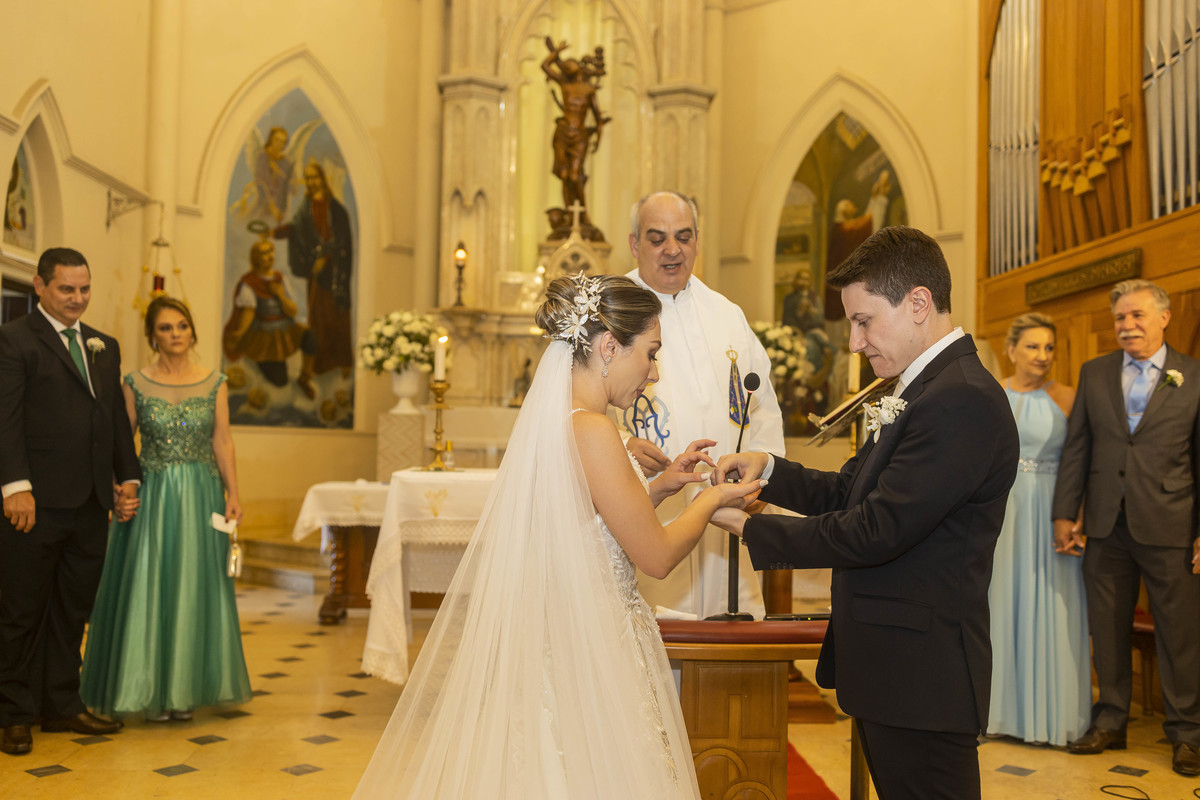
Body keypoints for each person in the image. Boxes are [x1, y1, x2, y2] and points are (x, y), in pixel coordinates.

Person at [352, 274, 765, 798]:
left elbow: (587, 519)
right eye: (651, 354)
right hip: (589, 646)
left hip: (572, 630)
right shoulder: (594, 430)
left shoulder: (575, 421)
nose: (654, 373)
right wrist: (710, 501)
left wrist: (662, 485)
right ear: (610, 346)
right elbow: (656, 557)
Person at [711, 226, 1019, 799]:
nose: (854, 343)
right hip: (897, 670)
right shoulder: (925, 389)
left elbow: (876, 530)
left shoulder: (961, 399)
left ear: (918, 304)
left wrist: (756, 529)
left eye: (863, 320)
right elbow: (850, 492)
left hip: (922, 677)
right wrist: (770, 467)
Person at [1052, 279, 1200, 776]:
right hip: (1104, 523)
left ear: (1164, 317)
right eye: (1119, 318)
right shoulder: (1094, 374)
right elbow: (1077, 448)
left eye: (1136, 316)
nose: (1126, 326)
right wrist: (1064, 513)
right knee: (1107, 626)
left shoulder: (1194, 376)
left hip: (1171, 523)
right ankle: (1112, 720)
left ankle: (1187, 733)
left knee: (1180, 633)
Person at [81, 296, 251, 722]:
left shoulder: (215, 380)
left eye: (181, 326)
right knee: (150, 582)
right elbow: (124, 442)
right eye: (165, 328)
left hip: (201, 493)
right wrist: (120, 488)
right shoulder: (135, 382)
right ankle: (149, 685)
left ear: (192, 330)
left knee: (195, 584)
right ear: (152, 336)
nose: (175, 334)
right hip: (153, 494)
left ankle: (183, 689)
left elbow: (223, 440)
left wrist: (233, 492)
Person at [0, 247, 141, 756]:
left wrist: (128, 478)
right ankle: (13, 713)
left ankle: (61, 704)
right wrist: (16, 487)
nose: (77, 299)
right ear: (39, 286)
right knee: (20, 610)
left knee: (72, 608)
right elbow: (6, 418)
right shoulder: (14, 339)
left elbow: (112, 422)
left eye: (84, 289)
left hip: (89, 504)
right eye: (66, 289)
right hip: (33, 503)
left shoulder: (104, 344)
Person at [620, 191, 784, 620]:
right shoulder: (613, 313)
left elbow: (761, 406)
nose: (672, 250)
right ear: (635, 245)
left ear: (697, 241)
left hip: (727, 514)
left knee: (728, 654)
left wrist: (762, 477)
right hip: (651, 513)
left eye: (683, 236)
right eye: (657, 239)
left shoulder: (727, 316)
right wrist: (622, 448)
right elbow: (578, 408)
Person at [987, 312, 1089, 746]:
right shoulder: (991, 395)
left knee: (1053, 604)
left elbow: (1083, 458)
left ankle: (1048, 716)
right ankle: (994, 712)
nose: (1042, 356)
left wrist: (1078, 511)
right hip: (1001, 509)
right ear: (1011, 350)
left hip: (1052, 508)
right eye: (1032, 346)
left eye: (1049, 348)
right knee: (997, 601)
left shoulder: (1067, 397)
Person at [273, 159, 354, 381]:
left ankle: (343, 362)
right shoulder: (307, 205)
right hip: (316, 274)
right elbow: (296, 227)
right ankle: (319, 365)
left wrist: (326, 258)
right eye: (307, 177)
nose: (311, 181)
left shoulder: (335, 209)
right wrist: (274, 233)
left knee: (336, 317)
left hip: (334, 273)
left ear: (322, 179)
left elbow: (342, 241)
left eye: (314, 176)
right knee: (317, 318)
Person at [222, 238, 317, 398]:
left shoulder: (280, 279)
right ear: (256, 258)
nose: (269, 256)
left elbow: (292, 311)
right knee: (280, 381)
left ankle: (304, 378)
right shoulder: (249, 283)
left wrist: (280, 294)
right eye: (264, 253)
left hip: (286, 329)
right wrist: (239, 333)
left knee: (310, 338)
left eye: (270, 251)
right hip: (264, 335)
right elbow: (248, 312)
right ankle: (260, 360)